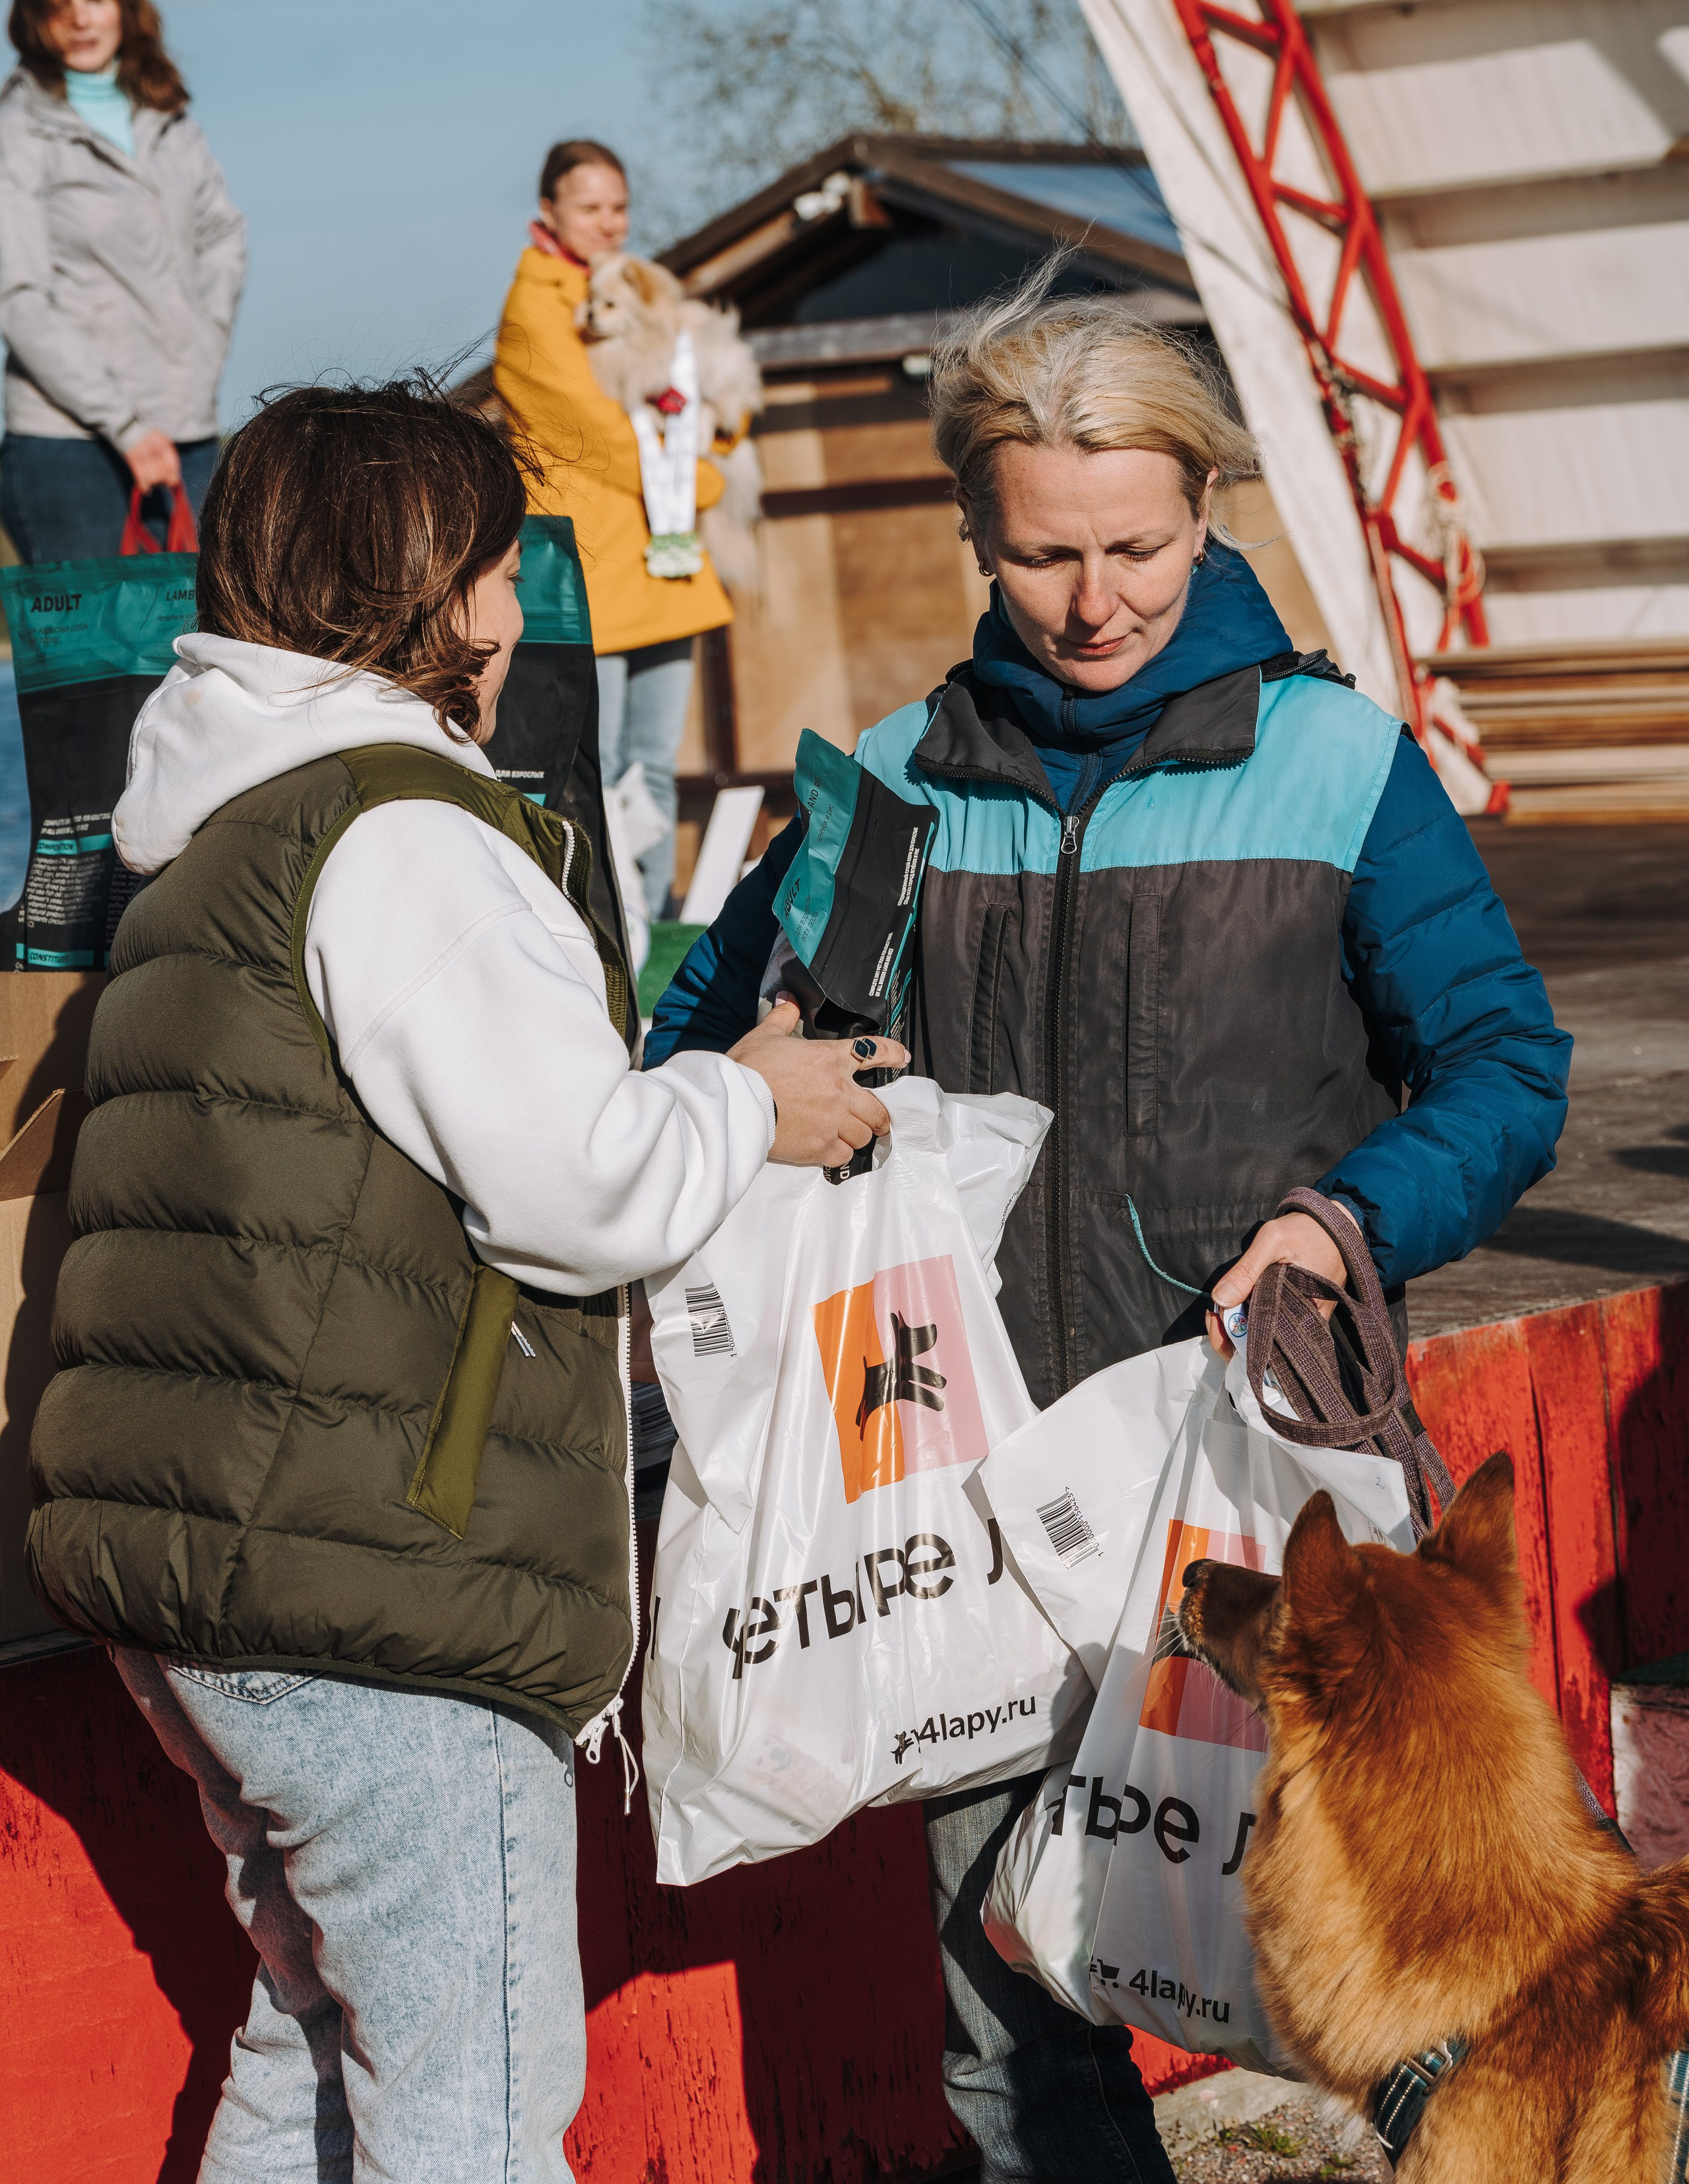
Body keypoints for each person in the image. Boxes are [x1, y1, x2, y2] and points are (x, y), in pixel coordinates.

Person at [645, 276, 1572, 2184]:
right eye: (1044, 553)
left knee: (1409, 2015)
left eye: (1137, 545)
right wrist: (791, 1083)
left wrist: (1343, 1218)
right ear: (974, 534)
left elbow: (1504, 1062)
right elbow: (702, 1063)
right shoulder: (886, 784)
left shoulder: (1339, 763)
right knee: (1011, 2019)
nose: (1094, 601)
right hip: (963, 1508)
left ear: (1209, 509)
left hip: (1250, 1508)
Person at [25, 377, 902, 2183]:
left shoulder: (207, 821)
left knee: (319, 2038)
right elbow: (578, 1187)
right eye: (498, 570)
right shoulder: (409, 830)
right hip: (378, 1592)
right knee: (478, 2098)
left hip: (204, 1571)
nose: (511, 614)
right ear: (447, 590)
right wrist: (750, 1097)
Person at [494, 137, 731, 917]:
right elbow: (585, 431)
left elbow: (689, 387)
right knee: (599, 764)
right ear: (549, 211)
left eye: (619, 206)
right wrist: (697, 475)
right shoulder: (535, 303)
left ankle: (653, 926)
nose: (608, 221)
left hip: (662, 555)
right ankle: (606, 925)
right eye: (589, 206)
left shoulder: (636, 286)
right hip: (595, 562)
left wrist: (718, 429)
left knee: (652, 765)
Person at [0, 0, 246, 561]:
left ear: (123, 7)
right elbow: (18, 298)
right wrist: (125, 425)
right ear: (33, 20)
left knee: (206, 645)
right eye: (59, 4)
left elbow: (222, 234)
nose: (80, 18)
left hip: (186, 430)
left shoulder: (168, 117)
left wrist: (204, 345)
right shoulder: (18, 131)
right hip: (70, 444)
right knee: (98, 659)